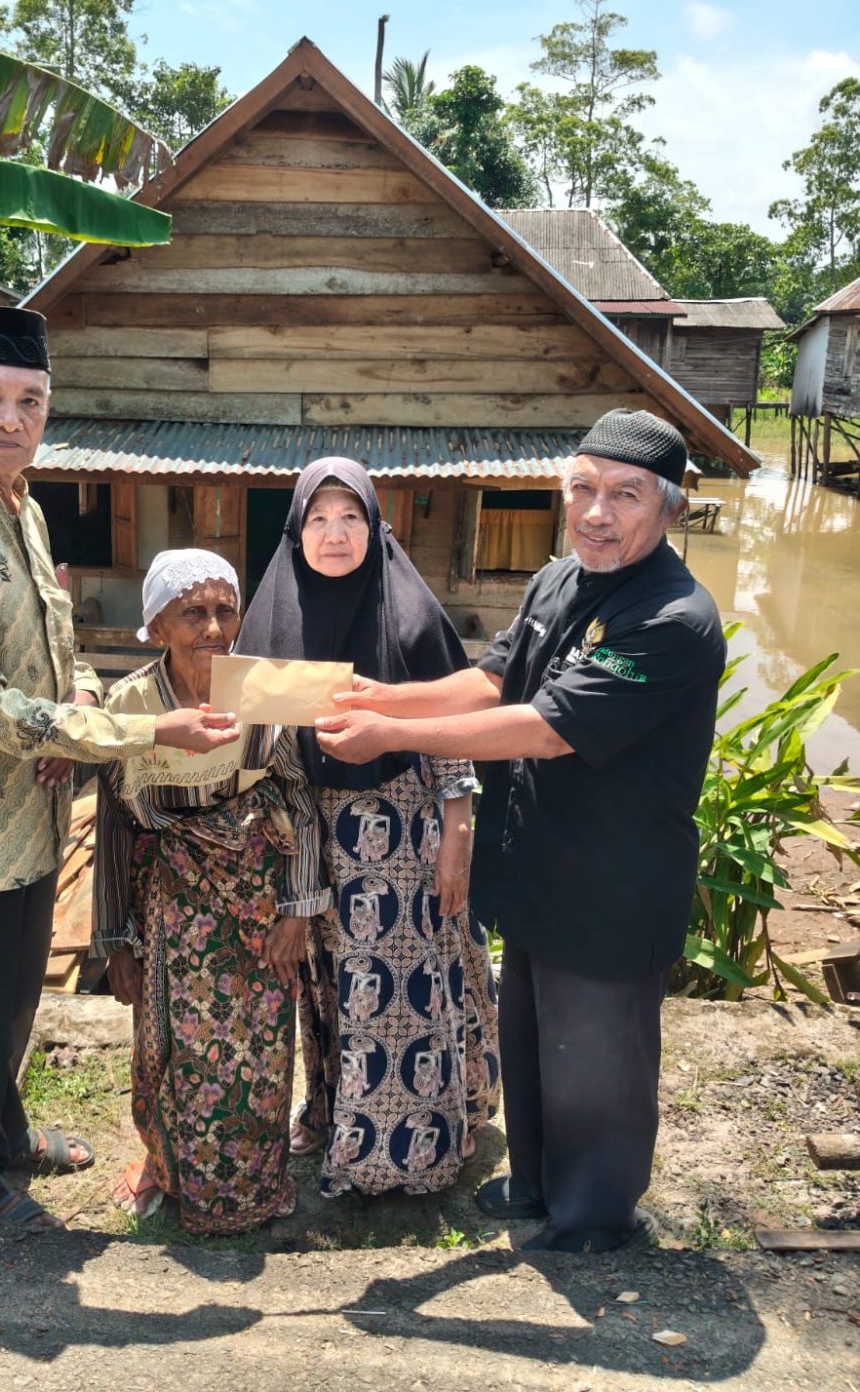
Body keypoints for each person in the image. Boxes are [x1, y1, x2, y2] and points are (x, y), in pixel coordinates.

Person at [315, 409, 725, 1252]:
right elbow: (493, 677)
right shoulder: (558, 581)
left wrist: (394, 735)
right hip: (540, 866)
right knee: (536, 1043)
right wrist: (383, 698)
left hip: (615, 885)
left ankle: (594, 1220)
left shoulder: (673, 619)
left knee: (599, 1064)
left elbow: (545, 727)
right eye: (581, 489)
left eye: (624, 495)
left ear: (672, 510)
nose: (596, 513)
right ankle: (537, 1185)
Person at [0, 306, 237, 1232]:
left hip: (28, 801)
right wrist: (141, 735)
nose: (9, 418)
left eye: (28, 400)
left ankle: (6, 1135)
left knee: (11, 993)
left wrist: (72, 726)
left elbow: (54, 651)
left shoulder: (19, 507)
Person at [236, 459, 500, 1199]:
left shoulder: (409, 613)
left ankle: (405, 1152)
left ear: (376, 525)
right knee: (330, 991)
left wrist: (457, 838)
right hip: (314, 844)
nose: (335, 533)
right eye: (318, 518)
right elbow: (254, 744)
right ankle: (333, 1115)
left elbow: (457, 728)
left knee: (396, 995)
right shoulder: (273, 620)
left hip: (405, 841)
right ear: (297, 531)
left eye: (350, 516)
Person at [92, 549, 330, 1234]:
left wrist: (296, 910)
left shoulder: (259, 689)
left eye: (226, 610)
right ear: (157, 624)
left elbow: (296, 794)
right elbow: (112, 827)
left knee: (255, 1048)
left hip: (255, 899)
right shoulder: (130, 705)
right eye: (192, 613)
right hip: (168, 900)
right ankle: (164, 1166)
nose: (214, 628)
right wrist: (115, 941)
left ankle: (254, 1179)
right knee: (167, 1044)